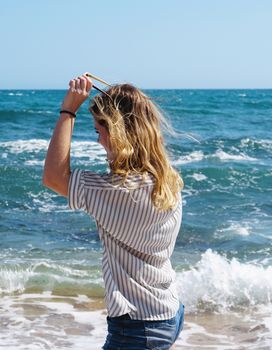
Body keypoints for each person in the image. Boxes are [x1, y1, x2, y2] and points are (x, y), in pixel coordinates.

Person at [42, 74, 185, 349]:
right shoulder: (166, 180)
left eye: (99, 132)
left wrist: (68, 110)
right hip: (168, 312)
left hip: (137, 327)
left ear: (118, 133)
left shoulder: (117, 191)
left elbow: (53, 177)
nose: (99, 141)